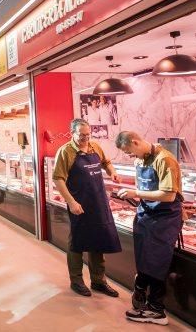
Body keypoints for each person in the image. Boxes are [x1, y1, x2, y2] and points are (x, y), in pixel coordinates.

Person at [116, 131, 184, 326]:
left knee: (156, 262)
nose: (130, 157)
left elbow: (169, 195)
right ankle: (141, 289)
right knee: (144, 258)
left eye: (130, 152)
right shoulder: (140, 161)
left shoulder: (165, 159)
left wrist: (135, 193)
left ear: (136, 142)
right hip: (146, 215)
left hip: (164, 219)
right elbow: (144, 189)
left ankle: (157, 310)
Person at [52, 118, 121, 297]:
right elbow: (58, 178)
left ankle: (99, 281)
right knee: (77, 241)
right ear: (72, 134)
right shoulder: (65, 152)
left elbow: (106, 162)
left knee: (98, 239)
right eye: (81, 135)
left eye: (88, 135)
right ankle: (76, 281)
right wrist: (71, 202)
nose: (85, 138)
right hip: (79, 203)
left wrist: (112, 171)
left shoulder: (95, 146)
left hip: (98, 200)